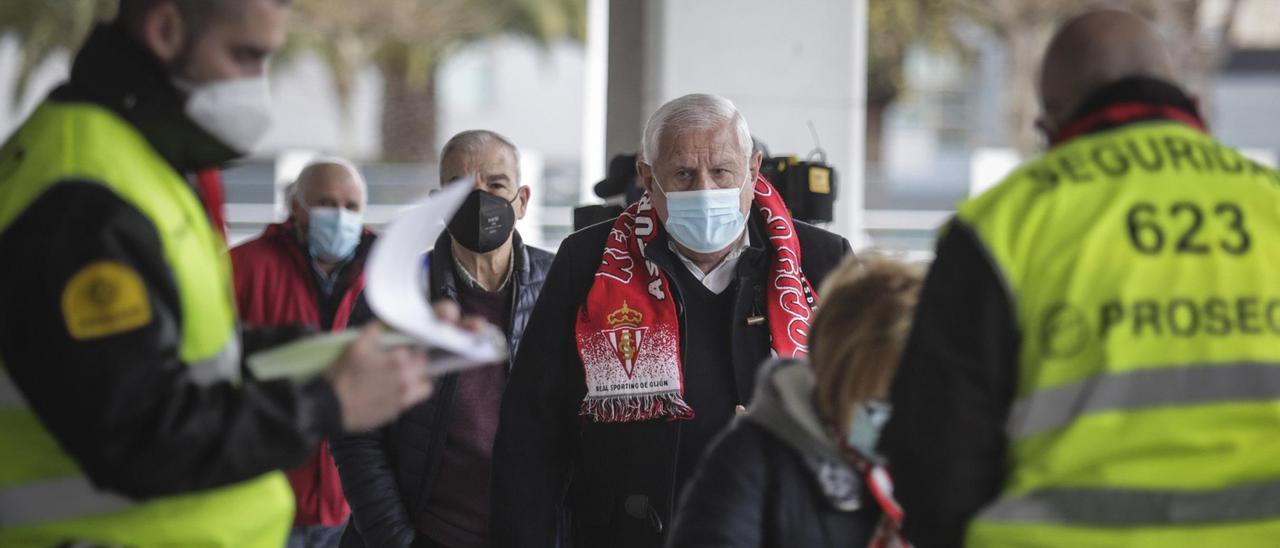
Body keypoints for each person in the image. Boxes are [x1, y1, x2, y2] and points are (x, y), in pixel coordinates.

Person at [0, 1, 436, 546]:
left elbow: (191, 355)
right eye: (245, 56)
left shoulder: (135, 161)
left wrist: (338, 351)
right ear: (165, 30)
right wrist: (331, 402)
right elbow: (139, 432)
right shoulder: (83, 191)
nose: (259, 89)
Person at [881, 9, 1280, 547]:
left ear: (1050, 124)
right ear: (1193, 103)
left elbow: (933, 457)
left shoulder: (1002, 226)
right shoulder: (1269, 205)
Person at [491, 93, 853, 548]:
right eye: (683, 174)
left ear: (753, 169)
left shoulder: (822, 261)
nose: (704, 189)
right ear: (647, 177)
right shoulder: (588, 262)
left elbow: (871, 414)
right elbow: (531, 431)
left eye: (721, 171)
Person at [333, 130, 554, 548]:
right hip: (426, 535)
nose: (478, 198)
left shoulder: (562, 286)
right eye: (459, 188)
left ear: (522, 200)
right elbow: (354, 430)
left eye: (496, 184)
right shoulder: (395, 296)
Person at [667, 255, 922, 548]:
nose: (903, 407)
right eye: (882, 391)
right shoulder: (755, 458)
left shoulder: (944, 454)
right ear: (836, 372)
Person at [230, 158, 377, 548]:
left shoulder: (386, 275)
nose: (341, 216)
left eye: (351, 207)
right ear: (296, 207)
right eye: (327, 204)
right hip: (266, 498)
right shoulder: (243, 268)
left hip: (353, 504)